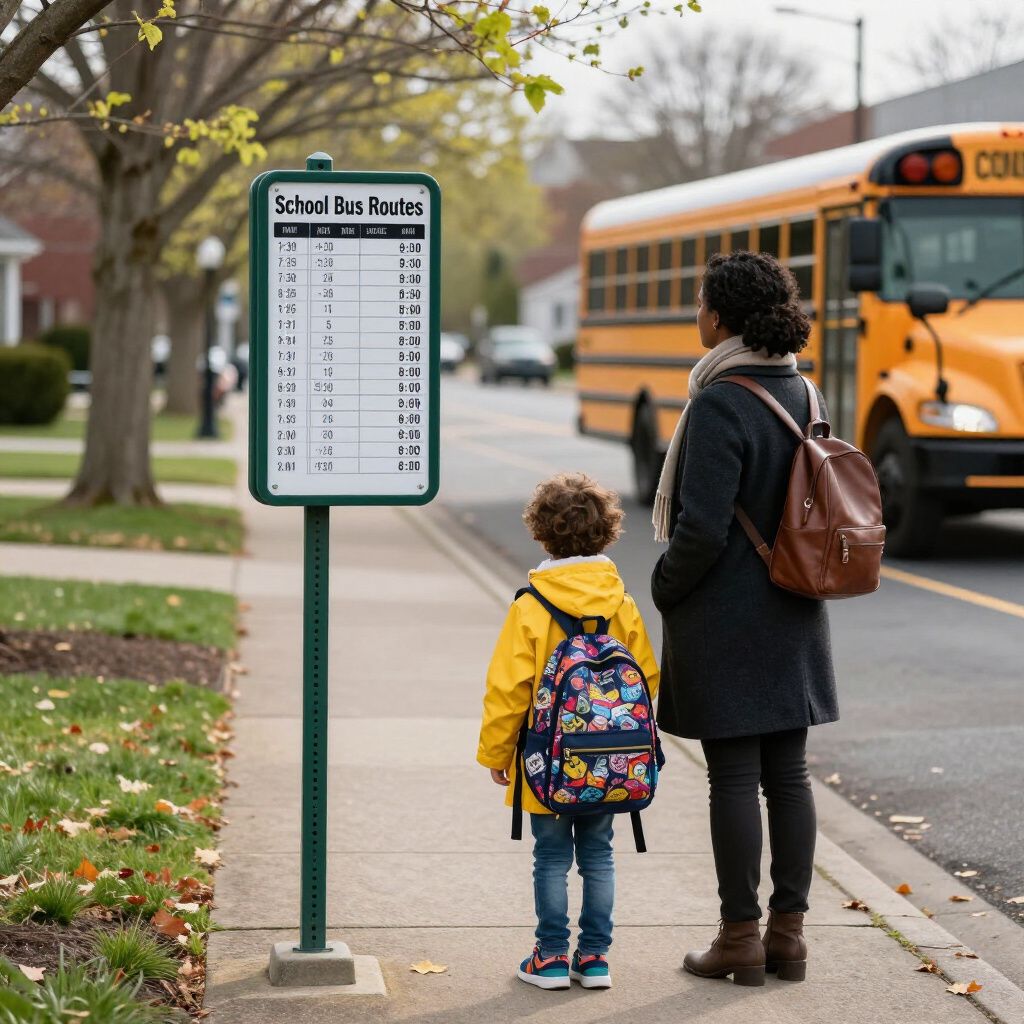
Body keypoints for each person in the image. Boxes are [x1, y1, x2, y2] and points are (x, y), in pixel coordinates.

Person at [650, 251, 838, 987]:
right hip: (795, 605)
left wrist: (666, 587)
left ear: (722, 316)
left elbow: (700, 531)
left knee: (732, 776)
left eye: (700, 304)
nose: (695, 316)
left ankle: (740, 938)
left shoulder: (720, 401)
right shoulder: (803, 387)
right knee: (787, 776)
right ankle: (788, 935)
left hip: (727, 613)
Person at [477, 472, 660, 991]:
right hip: (613, 758)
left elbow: (509, 689)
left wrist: (496, 752)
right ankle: (595, 959)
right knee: (599, 853)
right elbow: (645, 677)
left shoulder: (532, 606)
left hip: (546, 760)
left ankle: (551, 957)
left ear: (541, 534)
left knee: (552, 857)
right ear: (608, 534)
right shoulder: (619, 602)